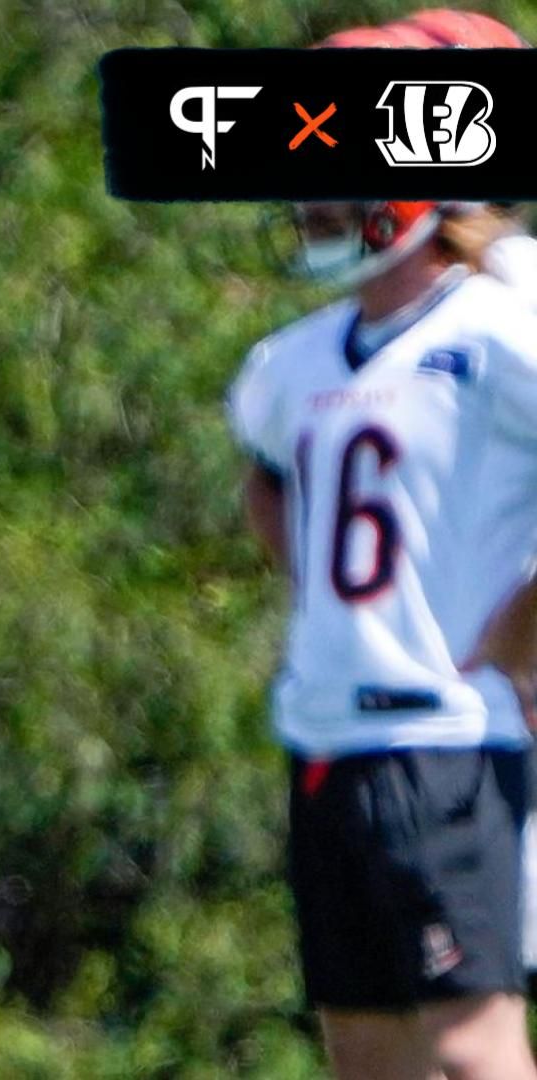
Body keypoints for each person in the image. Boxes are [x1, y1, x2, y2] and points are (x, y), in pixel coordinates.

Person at [228, 20, 537, 1080]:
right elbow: (270, 481)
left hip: (447, 733)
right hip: (326, 738)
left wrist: (520, 626)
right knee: (361, 1047)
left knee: (471, 1044)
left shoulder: (499, 330)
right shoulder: (295, 358)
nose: (314, 197)